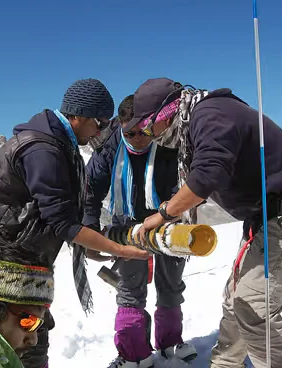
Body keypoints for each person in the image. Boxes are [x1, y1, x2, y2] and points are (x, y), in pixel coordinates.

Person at [128, 78, 282, 367]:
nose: (148, 135)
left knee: (253, 308)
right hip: (268, 218)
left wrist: (162, 215)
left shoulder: (210, 115)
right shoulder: (200, 118)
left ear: (166, 113)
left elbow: (207, 176)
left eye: (148, 126)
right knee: (236, 301)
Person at [0, 78, 149, 368]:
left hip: (17, 256)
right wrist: (119, 249)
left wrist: (88, 246)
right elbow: (62, 222)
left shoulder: (57, 143)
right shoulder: (43, 150)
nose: (100, 131)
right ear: (79, 115)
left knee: (27, 339)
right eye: (99, 122)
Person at [84, 95, 198, 367]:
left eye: (143, 131)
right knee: (130, 288)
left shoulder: (167, 139)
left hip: (169, 221)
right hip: (128, 225)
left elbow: (184, 181)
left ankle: (170, 343)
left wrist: (167, 216)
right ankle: (134, 353)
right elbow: (90, 190)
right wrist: (89, 231)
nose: (138, 138)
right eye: (129, 133)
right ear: (120, 127)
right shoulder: (110, 147)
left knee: (171, 283)